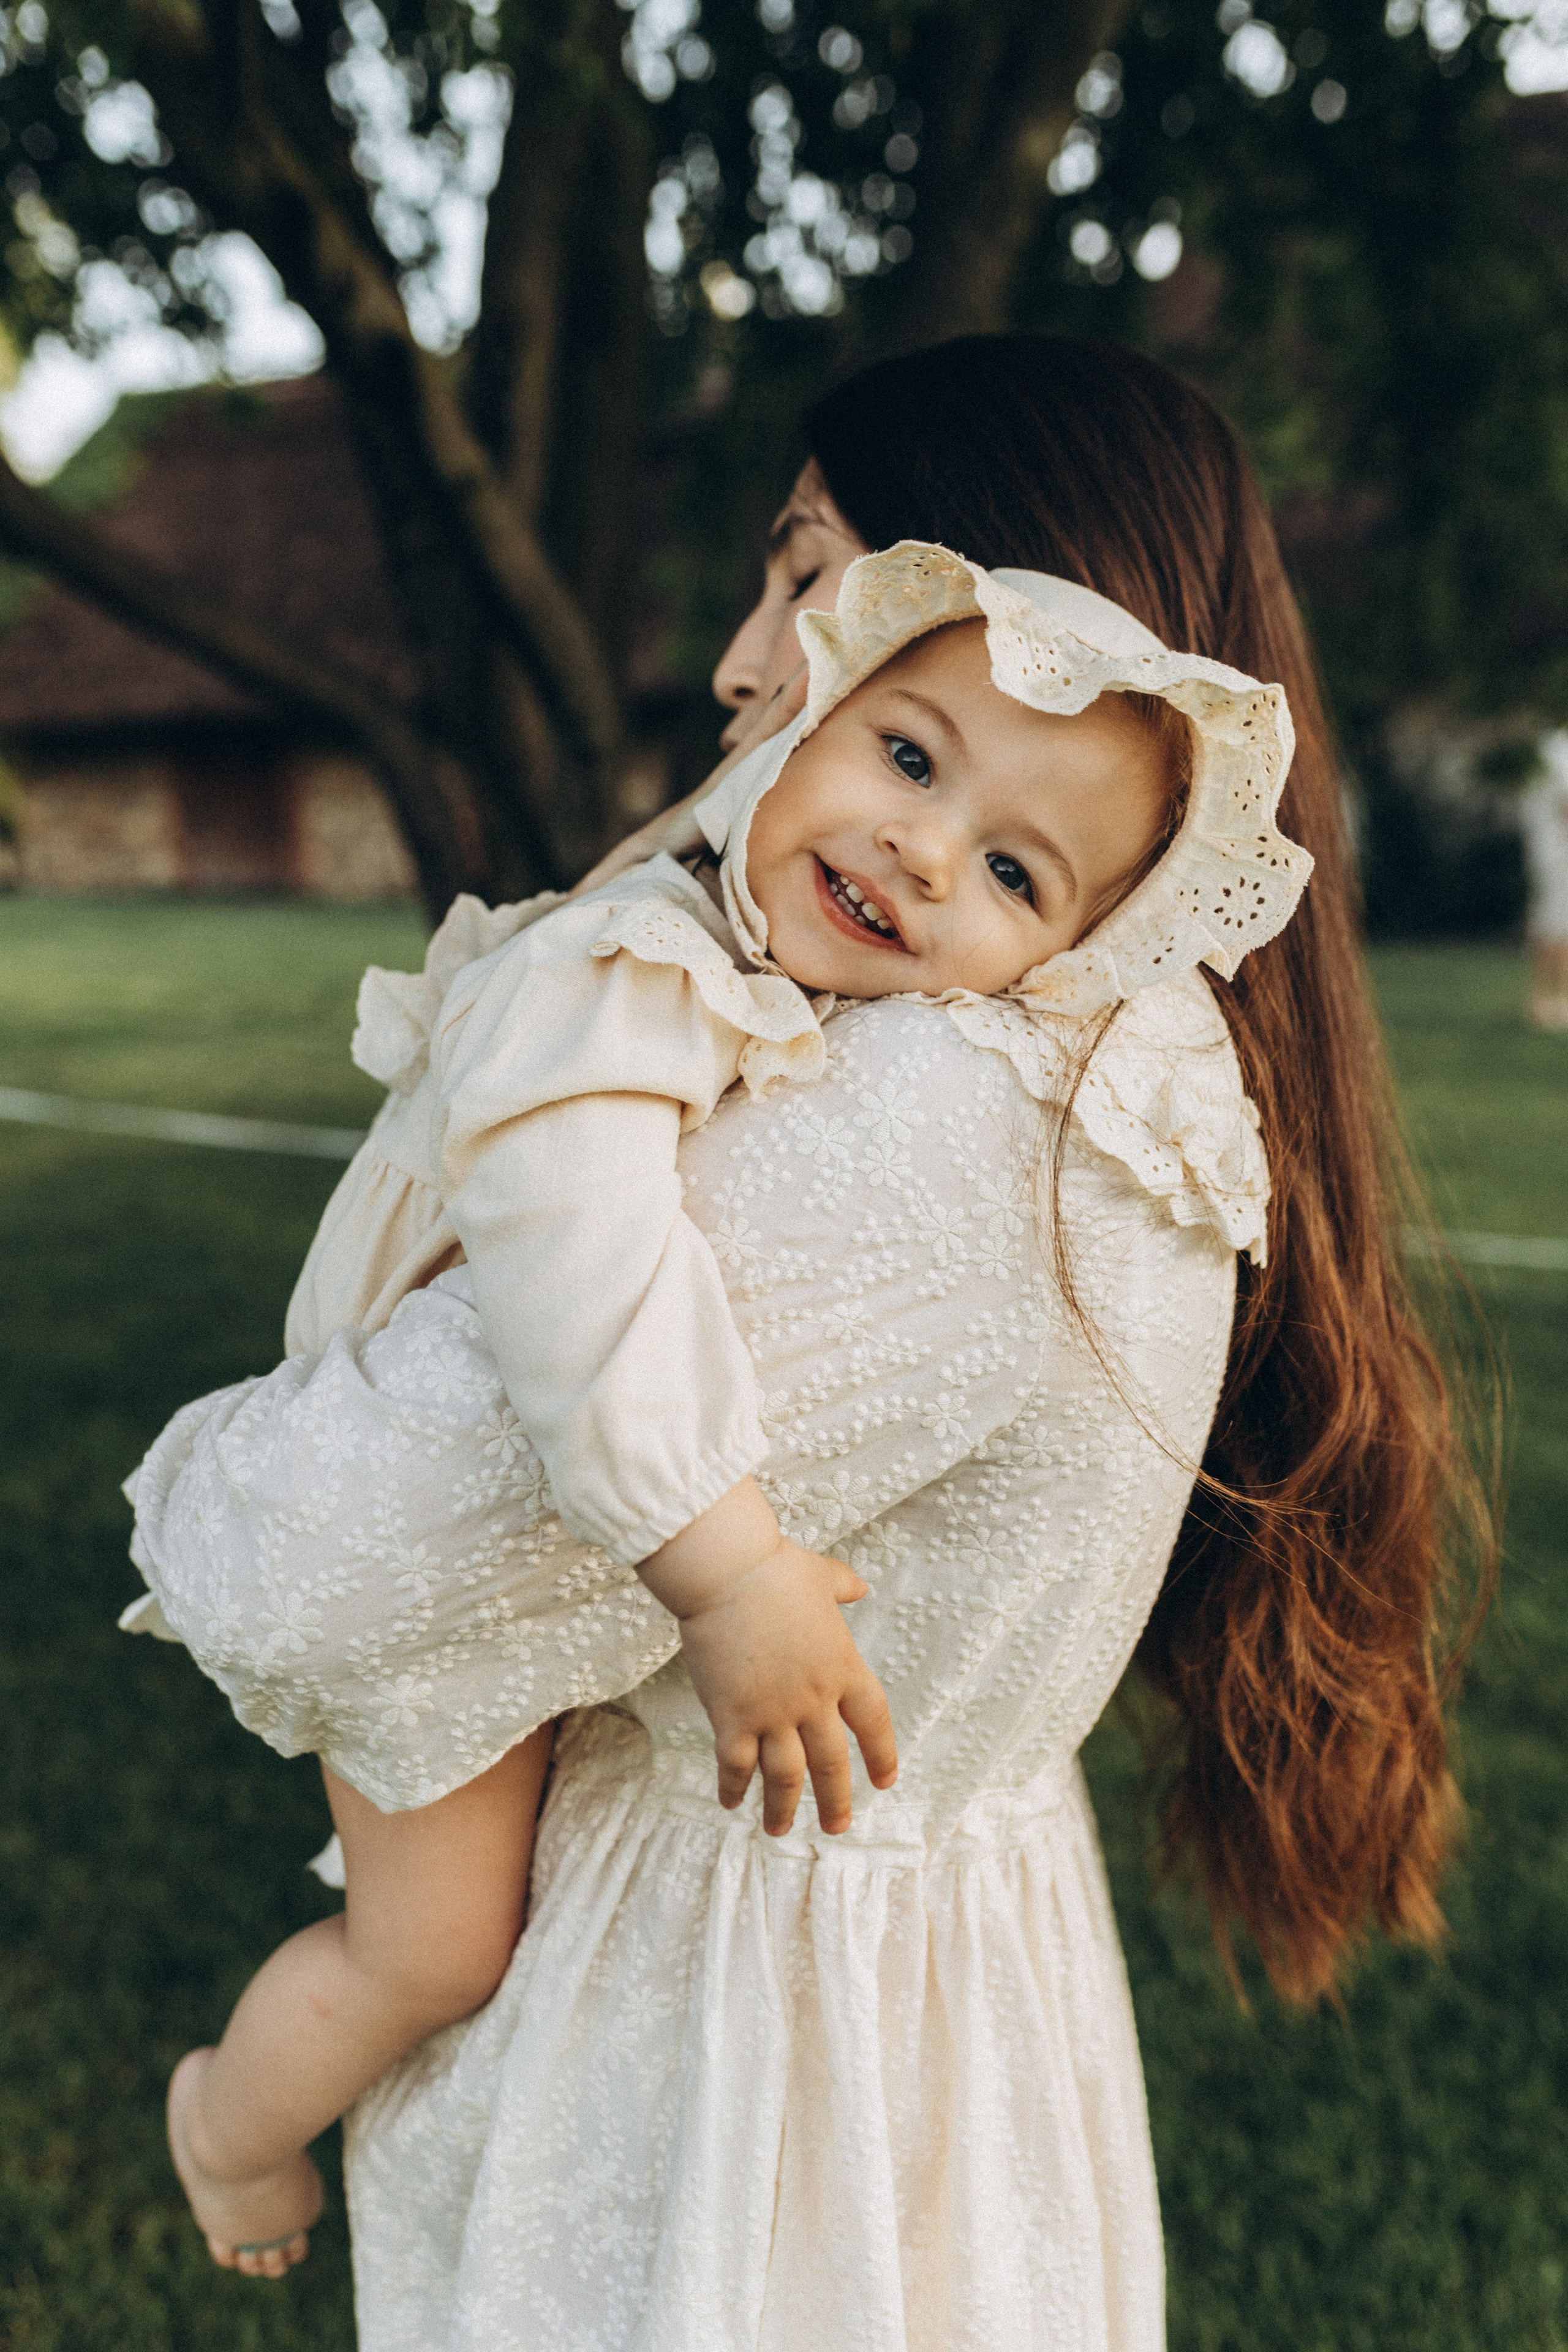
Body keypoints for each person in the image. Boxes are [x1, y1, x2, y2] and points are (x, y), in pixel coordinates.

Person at [144, 335, 1486, 2350]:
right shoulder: (742, 978)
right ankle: (238, 2125)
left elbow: (343, 1546)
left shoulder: (961, 1109)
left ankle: (231, 2127)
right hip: (881, 1994)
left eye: (810, 581)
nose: (738, 667)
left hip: (744, 2033)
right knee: (412, 1943)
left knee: (414, 1946)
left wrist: (719, 1566)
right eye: (795, 598)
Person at [1522, 730, 1568, 1030]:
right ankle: (1550, 1000)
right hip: (1557, 854)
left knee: (1554, 923)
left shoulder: (1549, 751)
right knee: (1556, 924)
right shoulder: (1557, 753)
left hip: (1552, 853)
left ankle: (1551, 1000)